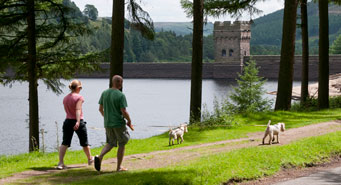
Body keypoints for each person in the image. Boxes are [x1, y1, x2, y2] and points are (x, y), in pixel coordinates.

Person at [94, 75, 134, 172]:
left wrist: (106, 117)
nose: (121, 84)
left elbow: (100, 109)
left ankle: (100, 157)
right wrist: (129, 121)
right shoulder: (120, 95)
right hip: (118, 123)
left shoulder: (104, 93)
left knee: (111, 143)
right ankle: (119, 167)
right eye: (121, 82)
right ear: (119, 82)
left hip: (107, 123)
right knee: (122, 143)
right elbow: (124, 111)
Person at [57, 79, 94, 170]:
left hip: (67, 121)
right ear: (78, 88)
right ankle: (90, 159)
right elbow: (78, 110)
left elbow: (68, 110)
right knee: (84, 143)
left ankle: (60, 163)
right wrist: (77, 121)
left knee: (65, 142)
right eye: (80, 87)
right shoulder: (79, 97)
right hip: (78, 122)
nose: (81, 89)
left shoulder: (65, 98)